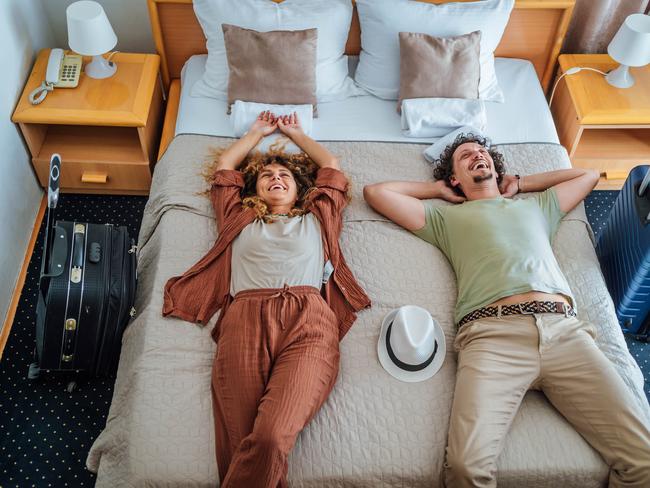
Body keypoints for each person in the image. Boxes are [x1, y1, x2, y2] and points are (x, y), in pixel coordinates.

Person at [363, 133, 650, 488]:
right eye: (465, 156)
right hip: (493, 337)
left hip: (564, 332)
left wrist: (523, 183)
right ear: (455, 179)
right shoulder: (446, 219)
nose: (477, 156)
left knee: (644, 460)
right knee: (466, 467)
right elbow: (376, 193)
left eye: (482, 152)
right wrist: (436, 190)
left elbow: (588, 175)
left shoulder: (537, 207)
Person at [163, 111, 371, 487]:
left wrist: (296, 133)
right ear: (254, 189)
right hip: (245, 316)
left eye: (285, 176)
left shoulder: (318, 217)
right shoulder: (238, 218)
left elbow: (331, 167)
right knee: (241, 442)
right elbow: (226, 168)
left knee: (272, 436)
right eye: (266, 176)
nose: (276, 178)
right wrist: (256, 133)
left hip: (308, 319)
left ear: (299, 188)